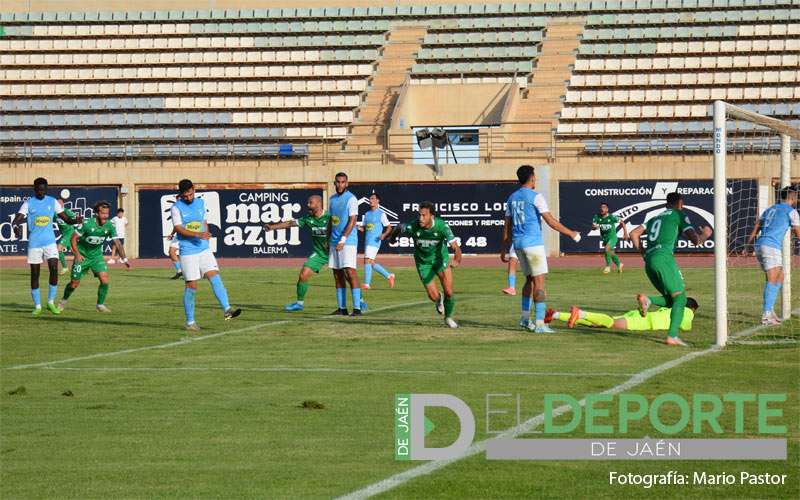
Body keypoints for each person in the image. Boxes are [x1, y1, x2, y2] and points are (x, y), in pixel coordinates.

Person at [501, 165, 582, 333]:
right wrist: (571, 233)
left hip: (518, 244)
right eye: (535, 176)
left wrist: (504, 248)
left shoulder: (512, 198)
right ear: (531, 178)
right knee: (539, 283)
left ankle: (524, 319)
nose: (536, 179)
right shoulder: (536, 197)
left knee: (529, 280)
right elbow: (551, 222)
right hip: (533, 244)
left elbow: (506, 226)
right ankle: (539, 324)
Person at [629, 192, 712, 347]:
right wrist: (705, 234)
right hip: (664, 258)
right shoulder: (679, 214)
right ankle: (672, 336)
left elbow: (634, 233)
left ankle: (649, 300)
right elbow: (695, 240)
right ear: (680, 203)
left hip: (650, 262)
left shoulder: (655, 217)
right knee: (681, 298)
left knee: (673, 300)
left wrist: (644, 254)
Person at [171, 179, 241, 331]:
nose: (188, 198)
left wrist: (206, 234)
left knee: (214, 275)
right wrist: (197, 235)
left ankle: (227, 309)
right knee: (192, 286)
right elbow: (178, 228)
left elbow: (204, 222)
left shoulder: (201, 203)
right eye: (185, 196)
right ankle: (190, 323)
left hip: (204, 249)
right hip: (188, 252)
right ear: (181, 194)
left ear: (193, 190)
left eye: (190, 194)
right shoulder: (176, 208)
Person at [12, 177, 82, 316]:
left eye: (43, 189)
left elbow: (65, 218)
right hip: (34, 244)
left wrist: (75, 220)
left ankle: (50, 303)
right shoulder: (28, 203)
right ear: (34, 189)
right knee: (35, 274)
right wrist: (15, 225)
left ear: (46, 189)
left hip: (50, 242)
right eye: (38, 189)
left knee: (54, 269)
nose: (41, 191)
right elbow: (18, 218)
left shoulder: (52, 201)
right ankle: (37, 306)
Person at [390, 201, 462, 328]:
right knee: (433, 295)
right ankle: (439, 298)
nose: (420, 218)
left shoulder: (441, 226)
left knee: (449, 292)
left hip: (440, 260)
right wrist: (392, 238)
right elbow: (398, 227)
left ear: (432, 216)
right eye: (419, 215)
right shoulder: (413, 226)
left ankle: (448, 318)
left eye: (424, 215)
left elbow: (456, 247)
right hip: (423, 262)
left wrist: (456, 259)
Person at [59, 201, 131, 312]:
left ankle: (100, 305)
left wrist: (124, 259)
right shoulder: (87, 224)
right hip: (82, 256)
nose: (106, 216)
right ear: (97, 214)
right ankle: (63, 301)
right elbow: (73, 239)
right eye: (103, 213)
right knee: (74, 284)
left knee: (105, 279)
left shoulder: (109, 226)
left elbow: (117, 243)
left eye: (107, 214)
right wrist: (77, 254)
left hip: (96, 257)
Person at [264, 195, 330, 312]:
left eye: (311, 203)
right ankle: (299, 304)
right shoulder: (308, 219)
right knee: (303, 274)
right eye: (308, 202)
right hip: (320, 254)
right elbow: (290, 224)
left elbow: (343, 227)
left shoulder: (329, 217)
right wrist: (272, 227)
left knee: (347, 276)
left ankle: (359, 302)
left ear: (319, 203)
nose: (308, 205)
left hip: (335, 252)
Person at [746, 185, 800, 325]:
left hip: (761, 244)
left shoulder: (771, 209)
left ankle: (770, 311)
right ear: (793, 198)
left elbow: (757, 225)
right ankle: (766, 314)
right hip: (771, 246)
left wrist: (749, 243)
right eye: (796, 197)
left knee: (780, 276)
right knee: (773, 278)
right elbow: (798, 233)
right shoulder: (792, 212)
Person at [545, 298, 699, 333]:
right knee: (610, 323)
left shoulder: (672, 308)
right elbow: (686, 327)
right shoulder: (687, 312)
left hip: (640, 315)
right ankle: (581, 312)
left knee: (597, 323)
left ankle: (555, 315)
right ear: (691, 308)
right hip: (644, 322)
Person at [328, 172, 364, 316]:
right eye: (338, 182)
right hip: (334, 241)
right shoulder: (332, 199)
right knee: (337, 273)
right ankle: (342, 308)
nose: (340, 184)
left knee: (350, 271)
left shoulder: (352, 199)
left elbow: (352, 221)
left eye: (343, 182)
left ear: (347, 183)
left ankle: (357, 308)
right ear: (334, 183)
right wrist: (328, 240)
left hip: (348, 241)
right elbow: (330, 221)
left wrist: (343, 240)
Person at [359, 191, 395, 291]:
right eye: (370, 199)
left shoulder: (381, 214)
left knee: (367, 260)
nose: (371, 200)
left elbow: (389, 227)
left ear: (378, 201)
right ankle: (389, 276)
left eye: (373, 198)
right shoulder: (367, 214)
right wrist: (356, 227)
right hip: (367, 241)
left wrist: (383, 235)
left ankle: (366, 284)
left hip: (375, 241)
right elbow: (363, 228)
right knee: (371, 262)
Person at [592, 202, 628, 274]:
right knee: (611, 253)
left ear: (607, 209)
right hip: (605, 238)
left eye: (604, 207)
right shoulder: (597, 217)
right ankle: (619, 264)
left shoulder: (612, 217)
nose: (602, 209)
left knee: (606, 249)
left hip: (612, 237)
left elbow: (622, 223)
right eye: (601, 207)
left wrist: (625, 233)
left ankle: (608, 267)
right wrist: (595, 227)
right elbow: (593, 227)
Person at [55, 190, 78, 275]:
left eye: (59, 203)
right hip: (64, 234)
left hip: (70, 233)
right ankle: (82, 266)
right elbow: (50, 221)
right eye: (57, 203)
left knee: (59, 248)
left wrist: (76, 222)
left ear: (63, 204)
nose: (58, 205)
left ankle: (65, 267)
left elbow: (75, 217)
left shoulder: (66, 211)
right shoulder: (55, 213)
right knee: (75, 251)